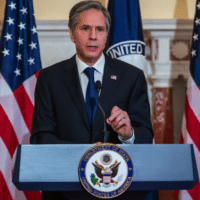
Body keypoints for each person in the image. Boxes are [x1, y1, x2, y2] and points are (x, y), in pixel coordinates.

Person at [30, 1, 153, 199]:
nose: (93, 36)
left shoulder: (132, 77)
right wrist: (86, 154)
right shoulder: (50, 79)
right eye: (85, 28)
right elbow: (40, 138)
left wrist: (128, 134)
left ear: (106, 34)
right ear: (72, 33)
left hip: (118, 191)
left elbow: (146, 136)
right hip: (64, 192)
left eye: (100, 29)